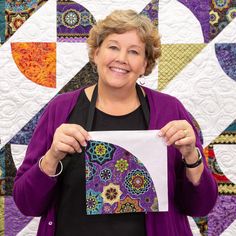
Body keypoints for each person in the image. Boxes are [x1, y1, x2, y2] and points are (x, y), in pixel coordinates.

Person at [13, 9, 218, 236]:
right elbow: (26, 204)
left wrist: (191, 157)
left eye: (134, 52)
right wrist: (51, 157)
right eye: (113, 47)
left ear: (145, 64)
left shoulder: (170, 110)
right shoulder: (60, 109)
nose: (121, 58)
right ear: (96, 53)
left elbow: (201, 206)